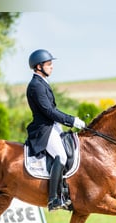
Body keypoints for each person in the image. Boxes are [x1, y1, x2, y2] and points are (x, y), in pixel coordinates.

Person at [25, 49, 86, 211]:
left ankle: (65, 191)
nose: (51, 67)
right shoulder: (36, 86)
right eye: (48, 64)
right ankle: (53, 199)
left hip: (52, 126)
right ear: (39, 67)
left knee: (71, 150)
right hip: (44, 129)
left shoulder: (42, 82)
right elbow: (49, 111)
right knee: (61, 155)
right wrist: (72, 120)